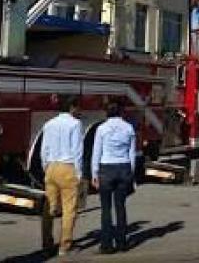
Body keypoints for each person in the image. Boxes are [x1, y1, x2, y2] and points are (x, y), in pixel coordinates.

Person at [40, 95, 84, 256]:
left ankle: (46, 242)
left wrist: (46, 167)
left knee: (49, 209)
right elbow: (77, 151)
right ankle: (64, 246)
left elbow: (43, 149)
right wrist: (78, 174)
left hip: (51, 167)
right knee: (69, 209)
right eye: (78, 107)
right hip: (67, 168)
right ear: (72, 107)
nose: (79, 111)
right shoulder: (75, 124)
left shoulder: (49, 124)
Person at [91, 102, 136, 254]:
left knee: (106, 208)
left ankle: (106, 245)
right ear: (121, 112)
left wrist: (94, 174)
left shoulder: (101, 129)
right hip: (123, 167)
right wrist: (131, 173)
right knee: (120, 206)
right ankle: (122, 243)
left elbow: (96, 152)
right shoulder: (129, 128)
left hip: (106, 169)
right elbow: (132, 154)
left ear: (107, 113)